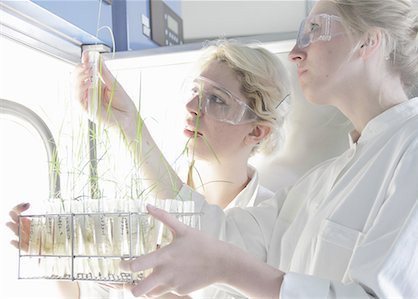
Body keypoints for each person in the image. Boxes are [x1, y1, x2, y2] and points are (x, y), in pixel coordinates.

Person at [119, 0, 418, 298]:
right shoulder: (320, 182)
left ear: (368, 41)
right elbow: (220, 234)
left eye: (315, 30)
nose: (295, 52)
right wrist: (126, 123)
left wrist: (229, 267)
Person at [6, 40, 291, 298]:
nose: (192, 106)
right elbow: (88, 293)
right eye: (195, 91)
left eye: (217, 99)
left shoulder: (271, 223)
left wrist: (155, 290)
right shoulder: (140, 191)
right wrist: (51, 254)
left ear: (257, 132)